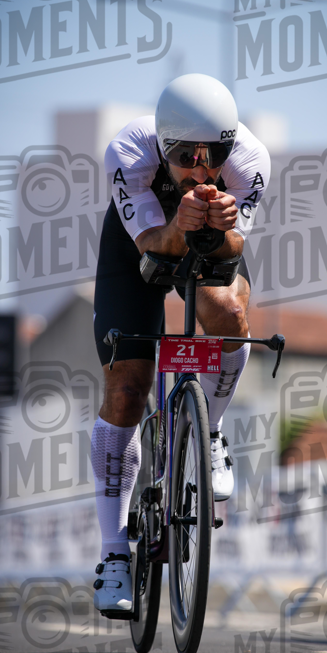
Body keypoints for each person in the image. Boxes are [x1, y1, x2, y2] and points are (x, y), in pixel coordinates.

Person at [90, 74, 271, 612]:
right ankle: (113, 553)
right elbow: (150, 246)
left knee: (231, 312)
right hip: (137, 247)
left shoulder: (250, 157)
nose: (199, 168)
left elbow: (236, 245)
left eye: (212, 154)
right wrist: (178, 224)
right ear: (161, 146)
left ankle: (210, 432)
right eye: (184, 157)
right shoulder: (127, 148)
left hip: (209, 239)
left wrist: (226, 228)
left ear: (229, 144)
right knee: (127, 389)